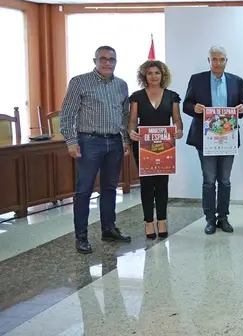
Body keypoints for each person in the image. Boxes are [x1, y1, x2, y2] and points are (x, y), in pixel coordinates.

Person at [60, 46, 132, 254]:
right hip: (89, 141)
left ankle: (108, 229)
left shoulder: (121, 85)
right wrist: (71, 141)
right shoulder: (79, 82)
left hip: (114, 142)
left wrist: (126, 139)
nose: (107, 63)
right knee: (84, 190)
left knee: (110, 188)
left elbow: (125, 115)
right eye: (103, 59)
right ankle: (81, 237)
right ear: (95, 60)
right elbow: (67, 115)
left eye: (111, 60)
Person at [182, 46, 243, 235]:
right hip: (205, 138)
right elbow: (186, 105)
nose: (218, 63)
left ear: (226, 61)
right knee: (209, 180)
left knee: (225, 180)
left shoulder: (236, 81)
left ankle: (223, 217)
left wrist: (242, 108)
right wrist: (195, 108)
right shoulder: (197, 79)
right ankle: (210, 219)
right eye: (214, 59)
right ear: (209, 61)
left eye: (221, 59)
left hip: (228, 138)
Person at [127, 60, 183, 239]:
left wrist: (179, 130)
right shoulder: (137, 96)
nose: (153, 76)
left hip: (165, 145)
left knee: (162, 183)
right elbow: (132, 120)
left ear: (163, 75)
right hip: (143, 145)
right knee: (146, 184)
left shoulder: (172, 96)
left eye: (157, 73)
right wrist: (131, 131)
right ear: (144, 75)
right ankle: (149, 222)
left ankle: (162, 220)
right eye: (150, 73)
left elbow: (177, 119)